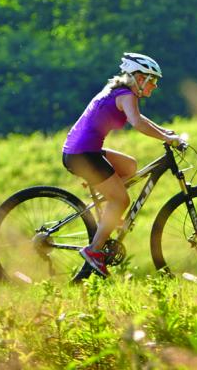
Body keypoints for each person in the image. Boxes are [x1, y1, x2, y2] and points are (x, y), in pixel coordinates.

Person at [61, 52, 185, 277]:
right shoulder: (126, 94)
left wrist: (165, 132)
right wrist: (166, 139)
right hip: (83, 155)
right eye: (152, 80)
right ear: (139, 77)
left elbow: (139, 118)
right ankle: (95, 250)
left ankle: (106, 199)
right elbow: (137, 123)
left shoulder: (121, 92)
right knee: (122, 199)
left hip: (84, 151)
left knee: (129, 166)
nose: (154, 86)